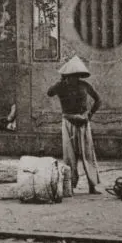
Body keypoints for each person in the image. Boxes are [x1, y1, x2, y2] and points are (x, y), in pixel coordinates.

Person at [47, 56, 102, 194]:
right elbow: (49, 93)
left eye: (76, 76)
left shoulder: (84, 85)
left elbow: (98, 100)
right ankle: (69, 186)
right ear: (66, 76)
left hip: (83, 122)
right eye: (71, 76)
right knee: (69, 156)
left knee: (88, 154)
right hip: (68, 122)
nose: (74, 78)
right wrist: (60, 82)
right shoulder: (61, 86)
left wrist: (90, 114)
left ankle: (92, 186)